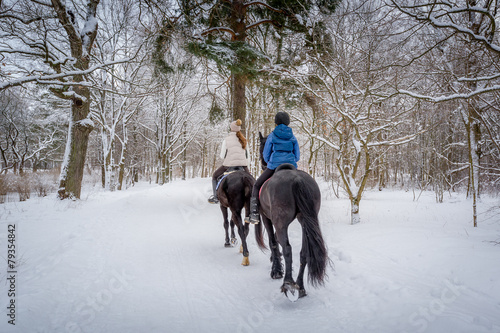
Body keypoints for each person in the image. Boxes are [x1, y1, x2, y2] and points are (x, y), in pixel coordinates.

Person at [245, 111, 300, 224]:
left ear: (276, 122)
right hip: (291, 166)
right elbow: (297, 155)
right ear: (288, 122)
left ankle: (254, 213)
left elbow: (265, 155)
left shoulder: (272, 135)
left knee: (256, 185)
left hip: (274, 166)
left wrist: (271, 162)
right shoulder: (293, 137)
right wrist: (291, 160)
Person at [208, 119, 250, 204]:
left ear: (231, 129)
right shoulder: (244, 140)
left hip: (228, 165)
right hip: (243, 166)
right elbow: (247, 156)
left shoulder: (226, 140)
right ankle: (254, 199)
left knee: (215, 176)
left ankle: (216, 197)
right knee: (251, 180)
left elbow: (222, 156)